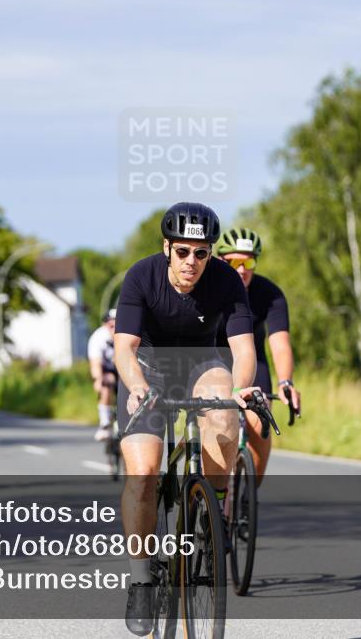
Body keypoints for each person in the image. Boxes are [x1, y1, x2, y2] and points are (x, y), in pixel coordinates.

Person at [114, 202, 262, 635]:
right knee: (142, 473)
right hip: (148, 369)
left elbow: (243, 349)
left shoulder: (227, 279)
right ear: (167, 248)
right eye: (183, 252)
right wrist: (137, 386)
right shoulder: (142, 276)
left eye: (201, 253)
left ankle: (210, 516)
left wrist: (242, 389)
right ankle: (141, 577)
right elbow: (124, 347)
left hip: (202, 363)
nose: (192, 263)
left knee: (224, 409)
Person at [214, 227, 301, 484]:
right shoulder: (210, 289)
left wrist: (286, 382)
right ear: (221, 260)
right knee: (215, 423)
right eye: (235, 262)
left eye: (248, 262)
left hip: (253, 365)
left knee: (259, 426)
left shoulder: (270, 294)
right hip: (213, 362)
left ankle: (245, 500)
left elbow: (280, 344)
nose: (242, 269)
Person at [87, 308, 118, 441]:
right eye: (111, 325)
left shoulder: (128, 334)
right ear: (105, 325)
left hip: (125, 368)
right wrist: (98, 380)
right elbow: (95, 364)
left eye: (118, 324)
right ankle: (105, 423)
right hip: (107, 370)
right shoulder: (98, 338)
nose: (114, 329)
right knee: (105, 383)